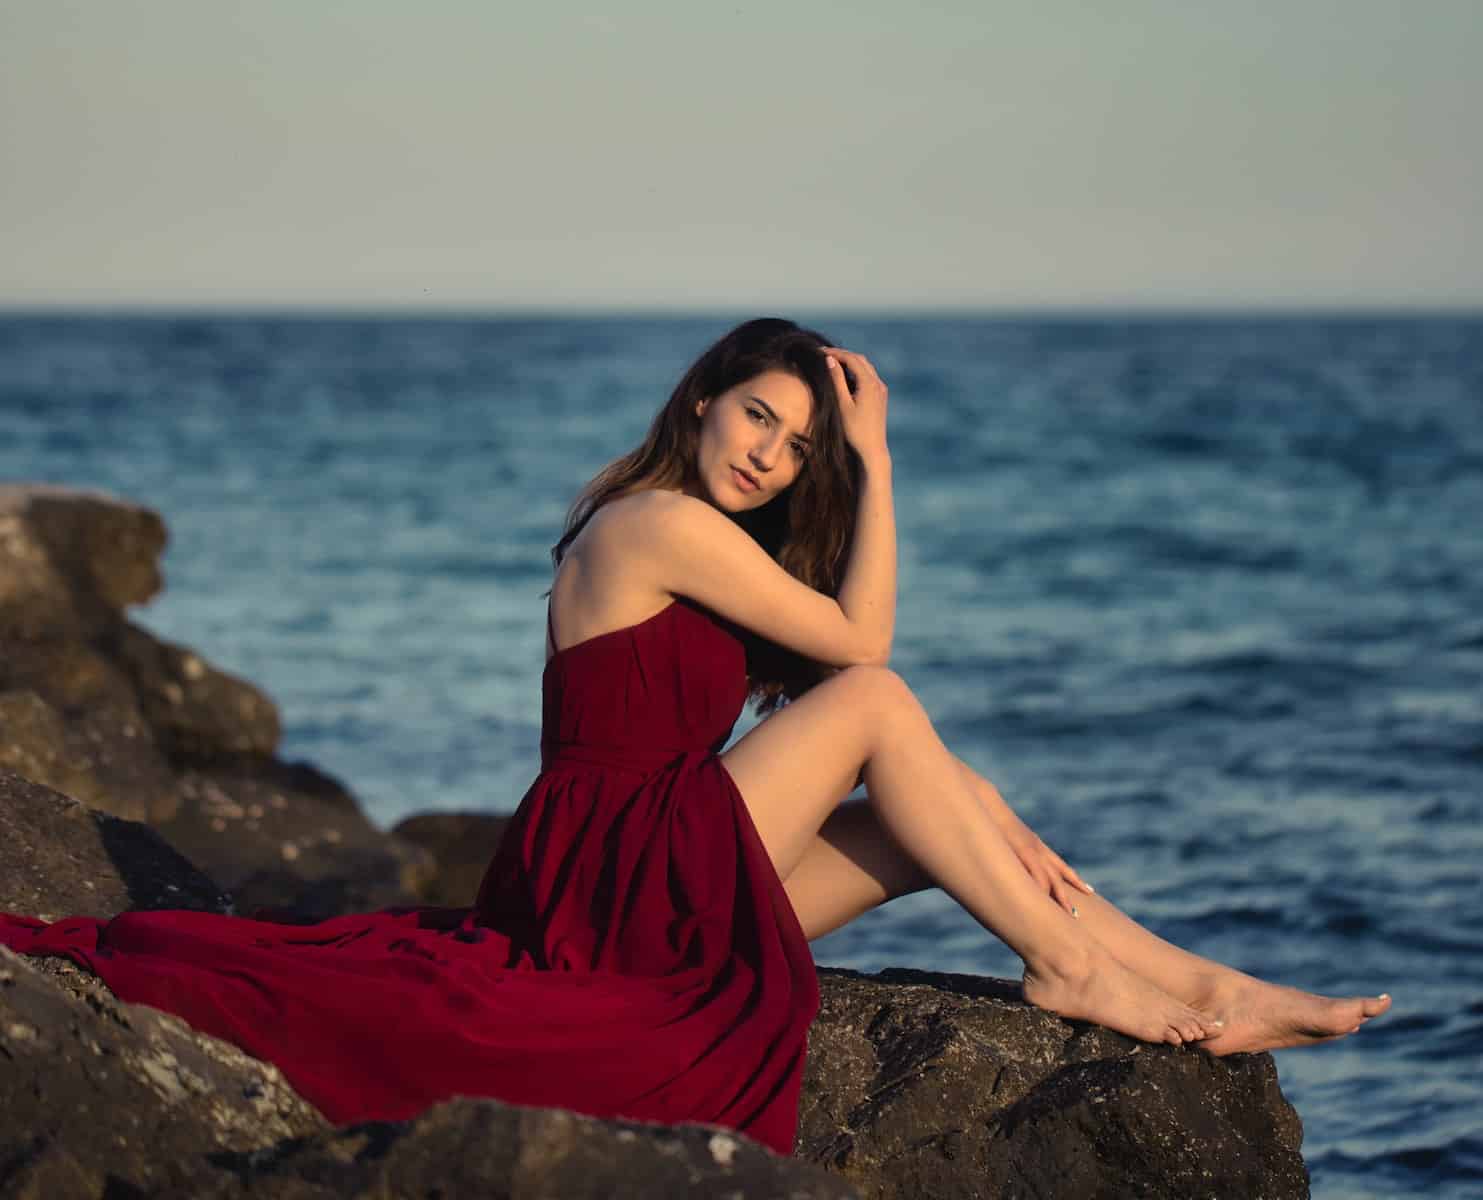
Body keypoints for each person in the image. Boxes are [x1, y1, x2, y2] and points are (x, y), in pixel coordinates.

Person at [0, 317, 1389, 1156]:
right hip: (615, 865)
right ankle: (1088, 972)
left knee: (936, 801)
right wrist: (884, 460)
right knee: (884, 709)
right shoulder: (654, 523)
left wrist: (993, 816)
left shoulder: (713, 546)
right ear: (704, 400)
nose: (769, 457)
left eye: (799, 449)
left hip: (652, 870)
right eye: (758, 421)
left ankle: (1189, 983)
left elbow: (853, 671)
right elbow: (865, 659)